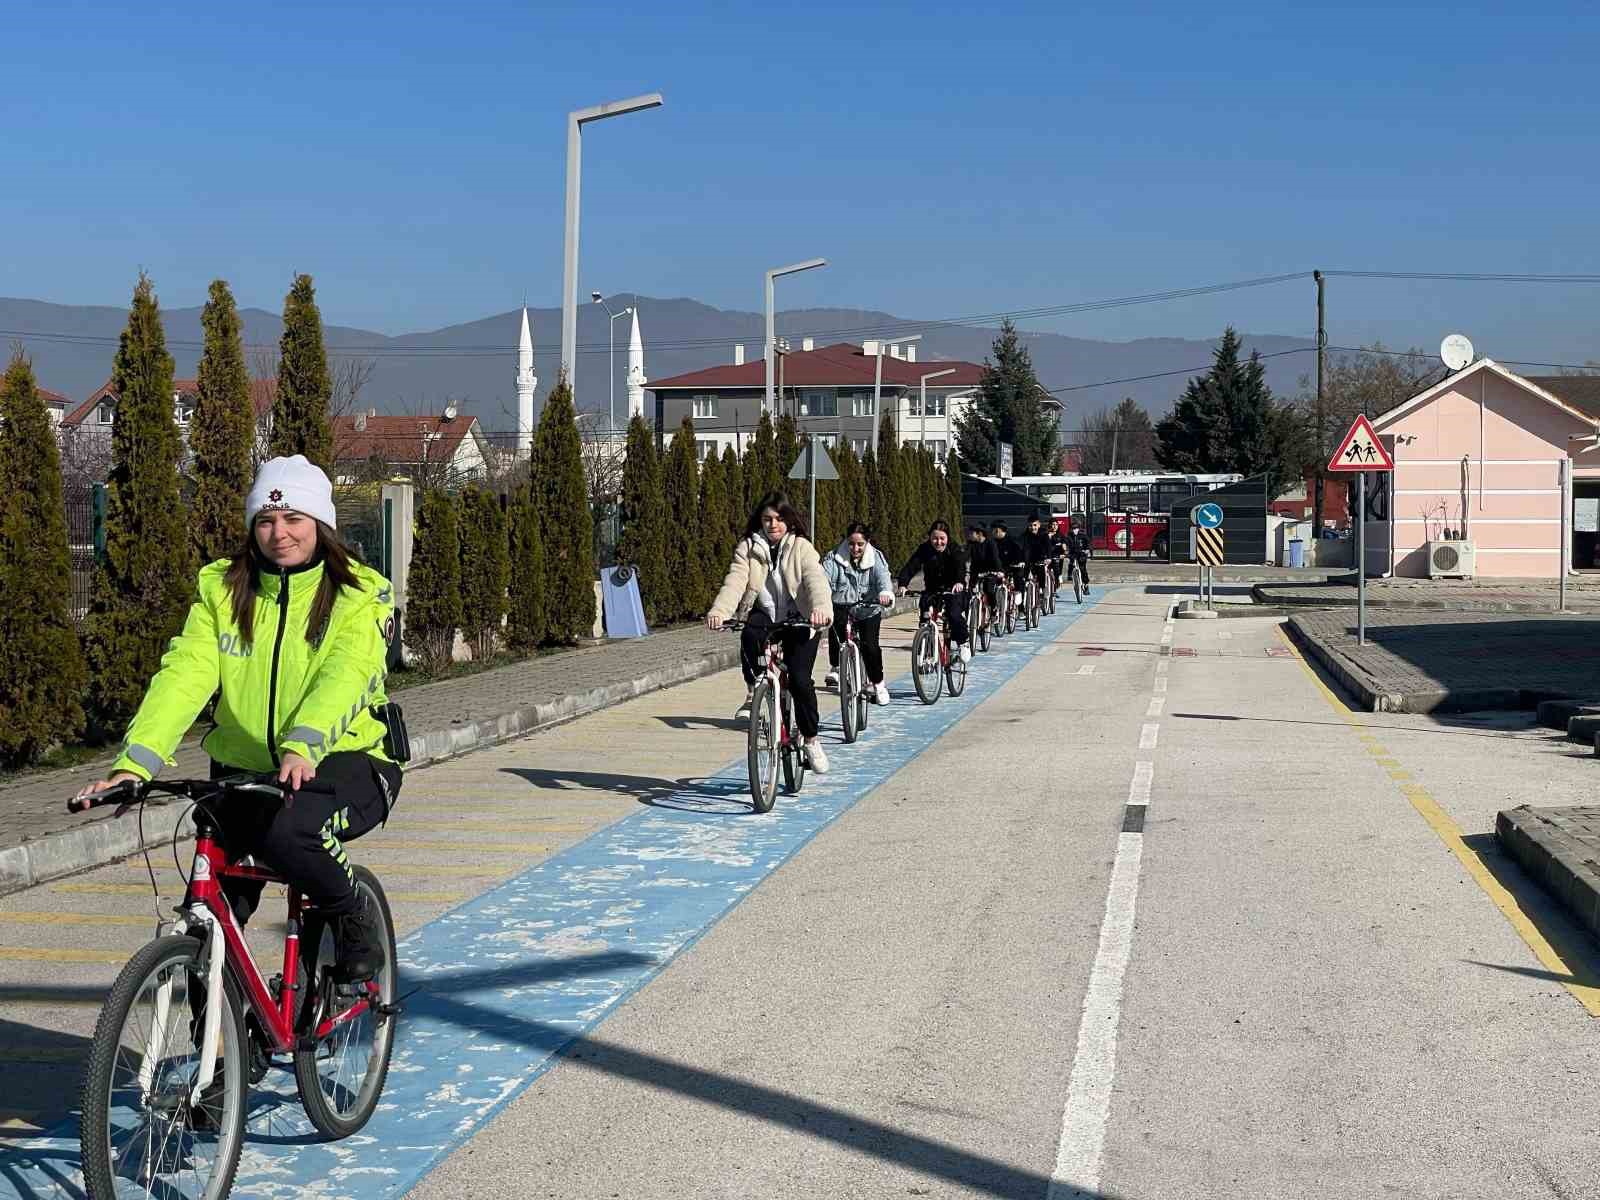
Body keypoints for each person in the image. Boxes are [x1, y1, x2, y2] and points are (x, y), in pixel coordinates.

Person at [74, 455, 401, 983]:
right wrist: (135, 764)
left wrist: (304, 743)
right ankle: (222, 1046)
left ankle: (351, 913)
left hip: (347, 762)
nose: (280, 533)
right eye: (266, 521)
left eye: (294, 519)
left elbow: (347, 675)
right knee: (209, 915)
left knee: (292, 837)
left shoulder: (360, 595)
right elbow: (185, 674)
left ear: (321, 524)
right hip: (243, 769)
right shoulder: (223, 589)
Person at [707, 491, 834, 773]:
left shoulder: (801, 547)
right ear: (759, 522)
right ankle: (756, 689)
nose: (773, 525)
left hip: (801, 618)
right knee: (749, 634)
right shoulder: (748, 548)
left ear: (788, 521)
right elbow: (735, 580)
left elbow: (815, 579)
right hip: (765, 613)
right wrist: (720, 611)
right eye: (767, 519)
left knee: (800, 681)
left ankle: (811, 739)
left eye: (779, 519)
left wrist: (821, 609)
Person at [822, 522, 894, 705]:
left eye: (860, 544)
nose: (855, 548)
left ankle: (878, 684)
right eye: (851, 544)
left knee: (870, 646)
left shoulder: (875, 557)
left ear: (867, 543)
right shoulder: (834, 558)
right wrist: (819, 598)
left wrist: (885, 593)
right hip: (842, 605)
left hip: (868, 608)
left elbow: (883, 578)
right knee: (834, 624)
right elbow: (822, 579)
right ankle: (836, 666)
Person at [896, 520, 970, 661]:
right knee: (925, 614)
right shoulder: (924, 549)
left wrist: (959, 582)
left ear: (947, 538)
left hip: (953, 589)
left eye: (942, 538)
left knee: (954, 615)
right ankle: (928, 651)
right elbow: (911, 566)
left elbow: (960, 567)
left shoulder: (954, 549)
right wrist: (903, 584)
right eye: (935, 538)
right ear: (930, 537)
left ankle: (963, 642)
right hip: (932, 589)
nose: (938, 542)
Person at [966, 525, 1005, 620]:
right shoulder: (971, 544)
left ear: (979, 534)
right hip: (976, 571)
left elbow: (995, 558)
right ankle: (969, 617)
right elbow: (964, 557)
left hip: (991, 571)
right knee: (969, 591)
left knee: (989, 589)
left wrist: (999, 571)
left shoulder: (991, 543)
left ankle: (994, 609)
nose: (969, 535)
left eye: (971, 533)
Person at [990, 520, 1027, 619]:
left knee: (1018, 582)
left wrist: (1020, 562)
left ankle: (1021, 608)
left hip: (1014, 566)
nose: (992, 532)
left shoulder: (1013, 541)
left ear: (999, 530)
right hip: (1000, 568)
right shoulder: (991, 542)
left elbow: (1021, 552)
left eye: (994, 530)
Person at [1021, 513, 1054, 599]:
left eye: (1035, 525)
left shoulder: (1044, 534)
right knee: (1024, 572)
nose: (1033, 527)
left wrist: (1049, 557)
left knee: (1040, 569)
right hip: (1029, 557)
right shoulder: (1025, 535)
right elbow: (1023, 548)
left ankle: (1043, 589)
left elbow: (1048, 547)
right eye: (1030, 525)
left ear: (1039, 525)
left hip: (1041, 557)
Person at [1066, 517, 1093, 587]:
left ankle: (1086, 584)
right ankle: (1070, 575)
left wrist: (1087, 549)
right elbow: (1066, 544)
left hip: (1082, 553)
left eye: (1076, 528)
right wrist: (1066, 551)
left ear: (1079, 528)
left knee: (1082, 568)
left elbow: (1089, 543)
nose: (1074, 530)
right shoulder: (1069, 535)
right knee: (1071, 563)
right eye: (1073, 528)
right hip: (1073, 553)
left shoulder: (1083, 535)